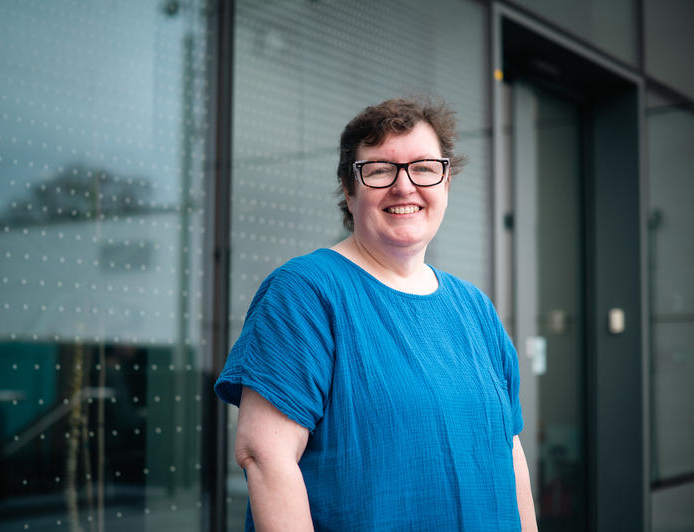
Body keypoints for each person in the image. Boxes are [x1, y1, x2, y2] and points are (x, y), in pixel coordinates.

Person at [215, 98, 538, 531]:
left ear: (445, 184)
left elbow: (510, 453)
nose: (405, 187)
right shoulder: (305, 292)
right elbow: (265, 456)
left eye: (424, 167)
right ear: (349, 191)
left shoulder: (475, 307)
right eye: (380, 170)